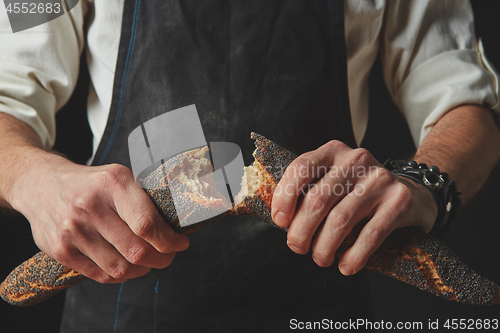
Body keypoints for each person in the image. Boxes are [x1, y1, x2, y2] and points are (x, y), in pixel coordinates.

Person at [1, 0, 500, 331]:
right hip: (120, 307)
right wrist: (29, 175)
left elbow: (466, 102)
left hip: (321, 302)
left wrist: (421, 182)